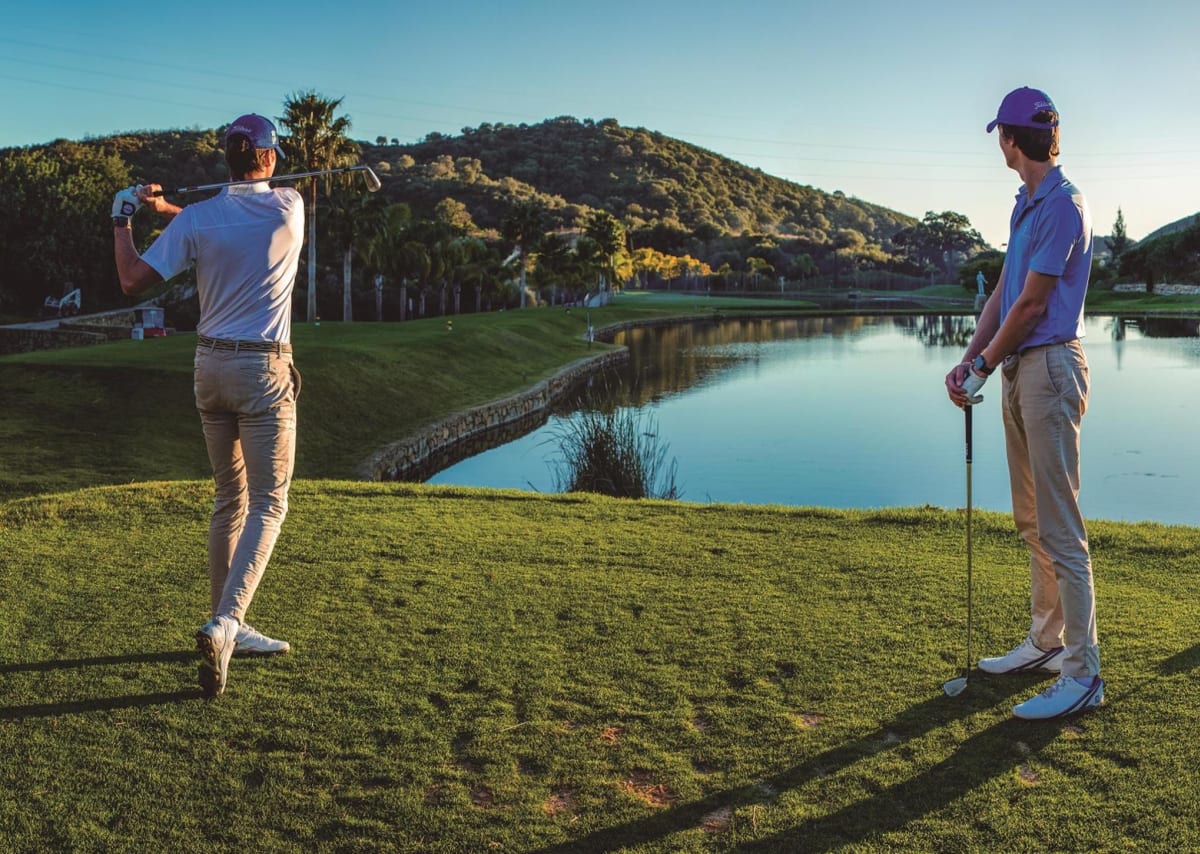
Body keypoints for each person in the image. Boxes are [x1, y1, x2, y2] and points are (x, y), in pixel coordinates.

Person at [112, 113, 304, 698]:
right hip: (262, 368)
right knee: (270, 503)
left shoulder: (198, 220)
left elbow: (131, 280)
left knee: (230, 498)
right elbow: (235, 220)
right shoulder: (290, 207)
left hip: (209, 366)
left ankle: (232, 625)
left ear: (228, 158)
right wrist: (175, 212)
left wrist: (127, 215)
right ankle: (225, 623)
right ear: (268, 158)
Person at [945, 87, 1103, 720]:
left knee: (1061, 528)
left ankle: (1084, 672)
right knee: (1032, 519)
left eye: (1000, 137)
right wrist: (971, 357)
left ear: (1012, 140)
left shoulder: (1063, 204)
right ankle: (1047, 641)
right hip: (1018, 370)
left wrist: (984, 364)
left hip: (1051, 369)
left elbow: (1035, 305)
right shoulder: (1026, 204)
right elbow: (1004, 300)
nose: (999, 147)